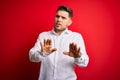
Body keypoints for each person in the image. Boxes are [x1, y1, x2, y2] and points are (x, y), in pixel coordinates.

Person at [29, 5, 89, 80]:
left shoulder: (76, 37)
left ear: (69, 22)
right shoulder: (43, 36)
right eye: (57, 16)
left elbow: (85, 63)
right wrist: (42, 53)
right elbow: (31, 57)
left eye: (63, 18)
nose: (59, 20)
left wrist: (77, 56)